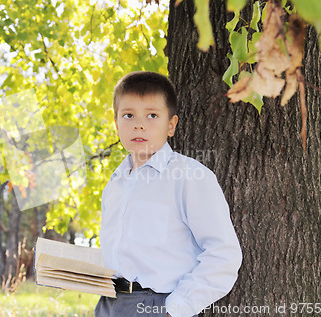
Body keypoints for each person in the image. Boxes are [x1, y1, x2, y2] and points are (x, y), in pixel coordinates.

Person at [95, 71, 243, 317]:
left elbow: (224, 254)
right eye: (128, 115)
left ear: (171, 125)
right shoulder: (115, 184)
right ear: (116, 123)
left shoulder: (190, 177)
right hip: (109, 304)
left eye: (152, 115)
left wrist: (175, 310)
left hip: (159, 306)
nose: (139, 124)